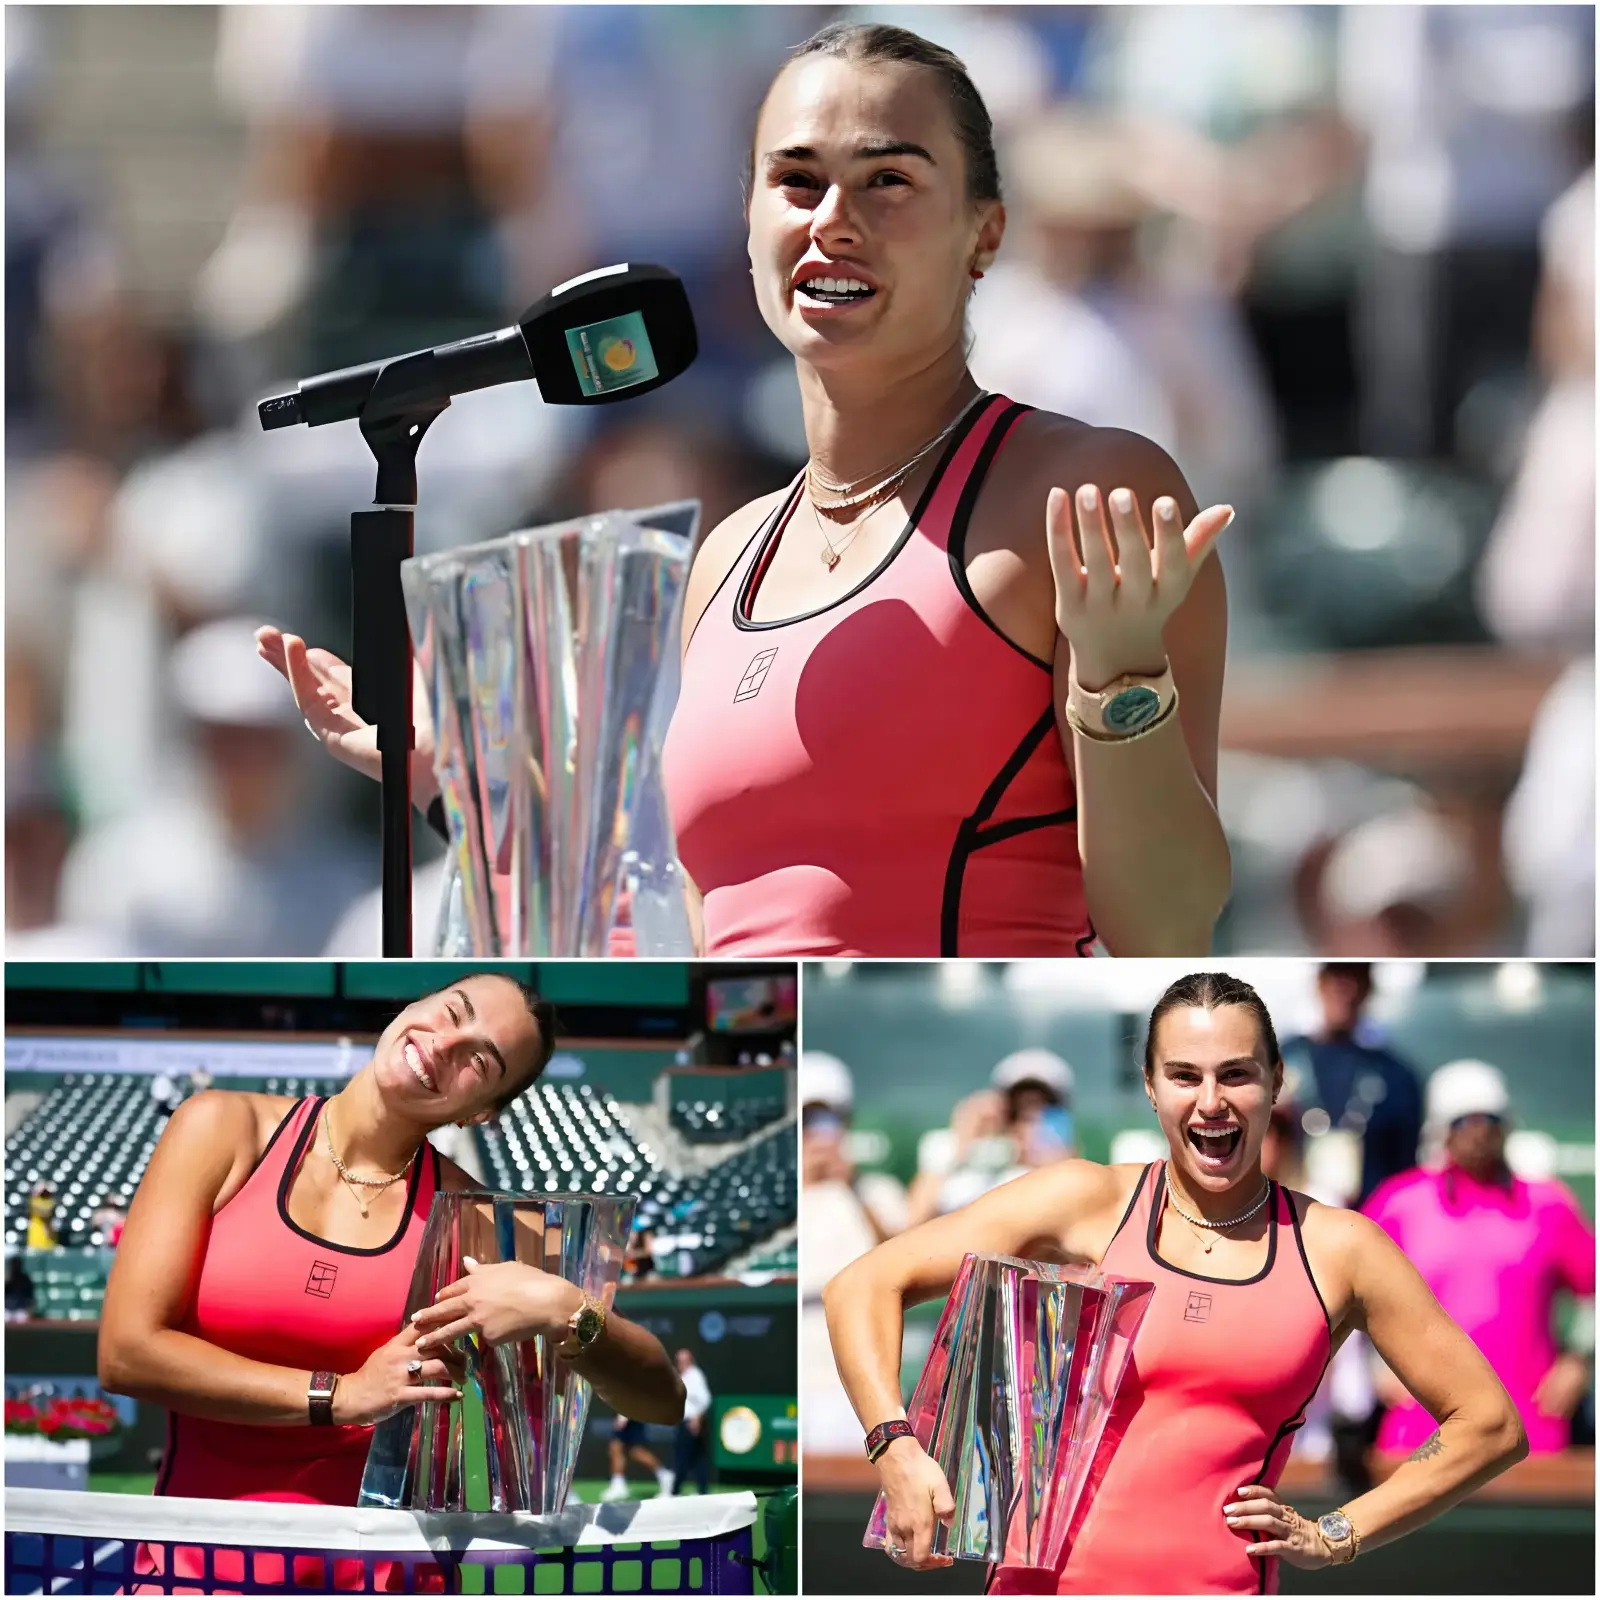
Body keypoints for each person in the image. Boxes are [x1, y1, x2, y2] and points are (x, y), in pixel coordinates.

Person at [258, 22, 1232, 960]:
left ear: (985, 235)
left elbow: (1167, 930)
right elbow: (696, 944)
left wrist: (1118, 679)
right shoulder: (726, 557)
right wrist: (457, 782)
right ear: (750, 225)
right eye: (796, 181)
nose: (832, 220)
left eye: (888, 180)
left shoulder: (1084, 489)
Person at [825, 971, 1527, 1591]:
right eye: (1185, 1076)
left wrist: (1336, 1535)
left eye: (1237, 1074)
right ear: (1151, 1086)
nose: (1211, 1101)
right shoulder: (1082, 1200)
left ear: (1277, 1081)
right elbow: (862, 1286)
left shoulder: (1341, 1248)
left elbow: (1489, 1425)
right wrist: (896, 1447)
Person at [98, 972, 684, 1588]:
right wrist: (340, 1395)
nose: (445, 1043)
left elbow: (662, 1400)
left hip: (385, 1578)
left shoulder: (476, 1219)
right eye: (452, 1011)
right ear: (414, 1003)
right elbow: (127, 1354)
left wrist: (571, 1308)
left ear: (480, 1111)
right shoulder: (219, 1126)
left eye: (479, 1060)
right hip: (195, 1573)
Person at [1364, 1059, 1596, 1458]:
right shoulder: (1401, 1204)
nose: (1478, 1132)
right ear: (1441, 1129)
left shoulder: (1547, 1204)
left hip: (1528, 1430)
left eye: (1489, 1120)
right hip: (1420, 1433)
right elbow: (1342, 1288)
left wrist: (1579, 1362)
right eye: (1463, 1121)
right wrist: (1374, 1365)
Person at [1281, 963, 1423, 1207]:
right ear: (1319, 983)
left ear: (1369, 988)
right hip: (1288, 1213)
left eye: (1356, 978)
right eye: (1336, 976)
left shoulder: (1396, 1076)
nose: (1345, 988)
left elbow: (1405, 1168)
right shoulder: (1282, 1061)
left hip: (1370, 1214)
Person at [906, 1048, 1076, 1227]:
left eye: (1043, 1104)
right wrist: (962, 1141)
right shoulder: (948, 1149)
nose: (1029, 1114)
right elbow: (915, 1221)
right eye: (1017, 1103)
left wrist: (1046, 1158)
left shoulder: (1062, 1173)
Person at [601, 1411, 673, 1502]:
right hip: (629, 1412)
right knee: (626, 1450)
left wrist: (623, 1415)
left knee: (625, 1448)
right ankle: (619, 1485)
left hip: (629, 1412)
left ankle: (665, 1475)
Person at [671, 1346, 714, 1495]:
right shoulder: (685, 1376)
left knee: (682, 1459)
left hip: (691, 1423)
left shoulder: (695, 1376)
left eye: (684, 1360)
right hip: (688, 1422)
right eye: (678, 1361)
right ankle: (702, 1491)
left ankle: (674, 1492)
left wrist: (697, 1419)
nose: (680, 1363)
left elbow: (705, 1399)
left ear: (691, 1361)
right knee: (697, 1459)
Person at [5, 1253, 37, 1322]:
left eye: (17, 1264)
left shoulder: (25, 1279)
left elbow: (30, 1296)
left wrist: (30, 1309)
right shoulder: (7, 1278)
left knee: (21, 1318)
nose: (15, 1266)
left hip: (20, 1310)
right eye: (14, 1264)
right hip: (7, 1309)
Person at [26, 1183, 57, 1251]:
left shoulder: (50, 1201)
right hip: (37, 1229)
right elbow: (39, 1211)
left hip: (49, 1230)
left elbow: (48, 1212)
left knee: (50, 1249)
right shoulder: (34, 1201)